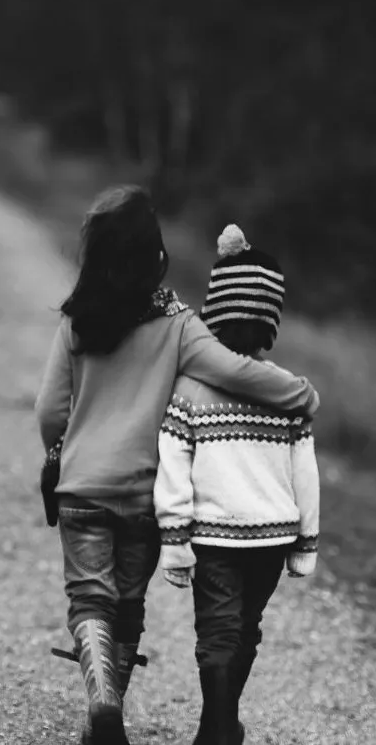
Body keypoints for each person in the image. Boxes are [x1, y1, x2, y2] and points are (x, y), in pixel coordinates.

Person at [35, 190, 319, 745]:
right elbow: (236, 371)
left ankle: (104, 704)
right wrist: (301, 393)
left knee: (90, 598)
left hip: (81, 490)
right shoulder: (178, 324)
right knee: (127, 604)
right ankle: (109, 706)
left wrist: (60, 451)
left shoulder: (76, 322)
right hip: (143, 495)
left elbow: (50, 410)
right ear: (155, 255)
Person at [154, 223, 320, 745]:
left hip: (214, 537)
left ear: (214, 313)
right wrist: (307, 542)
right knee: (246, 628)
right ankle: (219, 725)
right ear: (271, 318)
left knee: (218, 633)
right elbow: (305, 473)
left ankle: (218, 726)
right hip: (273, 537)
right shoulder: (288, 394)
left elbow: (172, 460)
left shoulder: (189, 390)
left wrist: (174, 537)